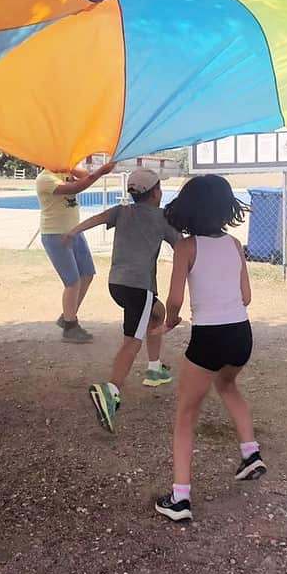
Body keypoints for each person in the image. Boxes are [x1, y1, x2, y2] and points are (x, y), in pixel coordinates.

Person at [154, 175, 264, 522]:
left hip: (209, 336)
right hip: (241, 334)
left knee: (186, 415)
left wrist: (170, 320)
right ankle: (250, 453)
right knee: (228, 385)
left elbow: (174, 298)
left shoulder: (186, 247)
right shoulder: (233, 244)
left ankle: (180, 498)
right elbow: (246, 297)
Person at [65, 169, 180, 433]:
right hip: (139, 287)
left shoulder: (122, 210)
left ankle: (154, 369)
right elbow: (180, 245)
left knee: (157, 314)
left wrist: (72, 232)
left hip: (116, 284)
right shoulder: (162, 218)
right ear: (156, 193)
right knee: (132, 342)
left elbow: (96, 218)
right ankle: (111, 391)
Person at [36, 161, 115, 343]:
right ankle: (70, 326)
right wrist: (102, 171)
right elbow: (77, 187)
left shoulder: (65, 170)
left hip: (74, 232)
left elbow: (84, 175)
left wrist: (69, 165)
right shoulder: (45, 179)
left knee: (87, 274)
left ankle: (67, 317)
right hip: (56, 235)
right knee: (72, 282)